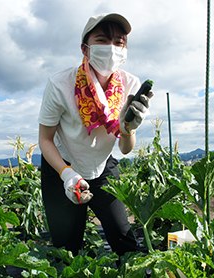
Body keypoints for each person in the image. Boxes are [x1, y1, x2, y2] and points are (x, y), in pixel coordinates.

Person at [37, 13, 153, 256]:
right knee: (67, 249)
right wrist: (67, 174)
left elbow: (124, 148)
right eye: (102, 40)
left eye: (119, 42)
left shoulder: (130, 85)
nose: (111, 48)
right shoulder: (60, 84)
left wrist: (128, 129)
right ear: (85, 48)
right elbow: (45, 139)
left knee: (124, 239)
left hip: (102, 165)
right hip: (62, 166)